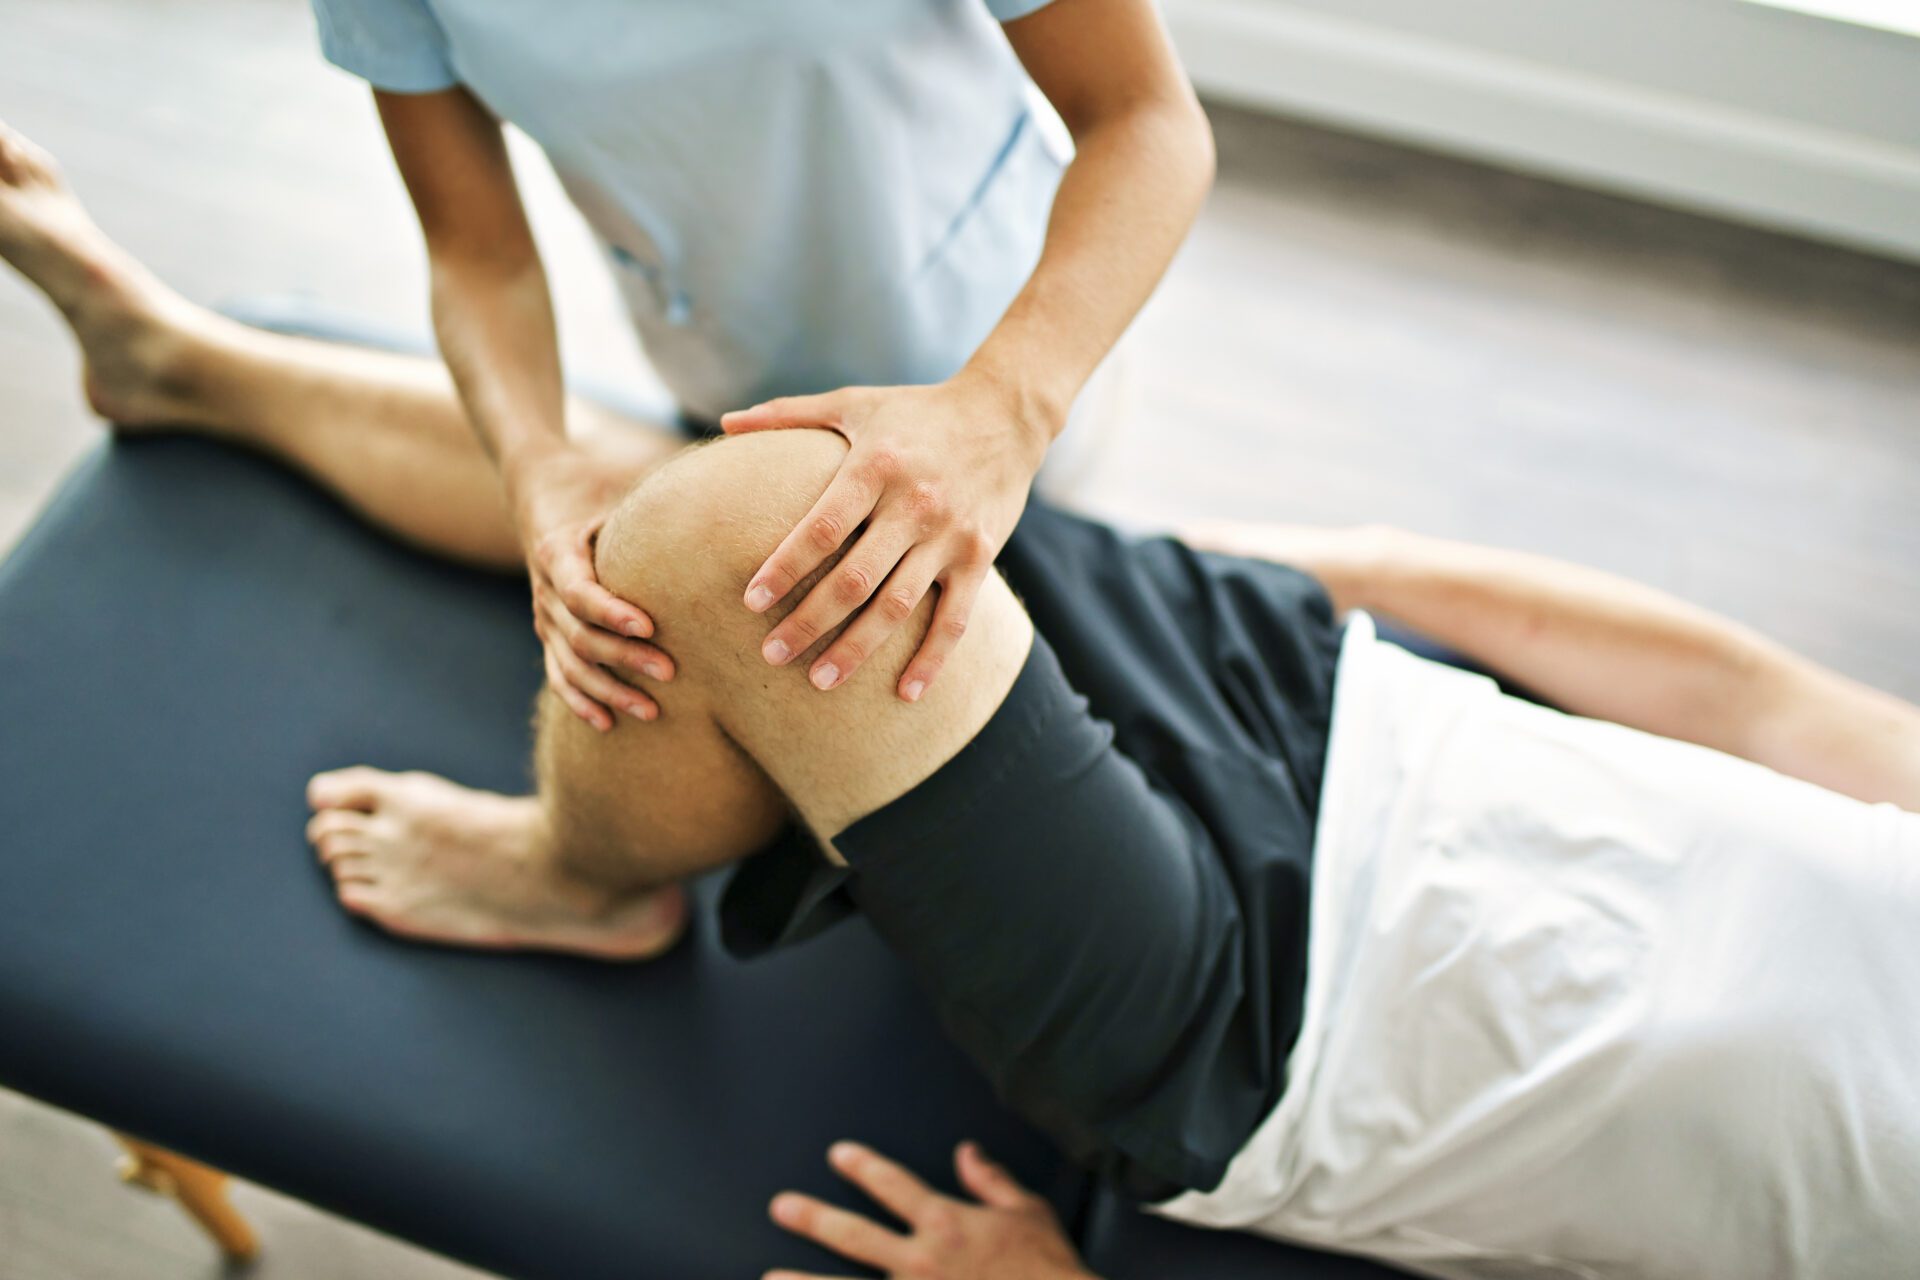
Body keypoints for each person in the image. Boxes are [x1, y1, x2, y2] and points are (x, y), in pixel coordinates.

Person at [5, 125, 1919, 1280]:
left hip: (1273, 1027)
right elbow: (1734, 696)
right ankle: (178, 365)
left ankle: (580, 872)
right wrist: (1303, 570)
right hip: (1356, 710)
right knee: (804, 496)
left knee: (770, 527)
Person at [309, 0, 1215, 734]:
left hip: (1014, 357)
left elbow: (1148, 117)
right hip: (734, 386)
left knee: (1073, 600)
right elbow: (478, 256)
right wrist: (535, 467)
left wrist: (1004, 409)